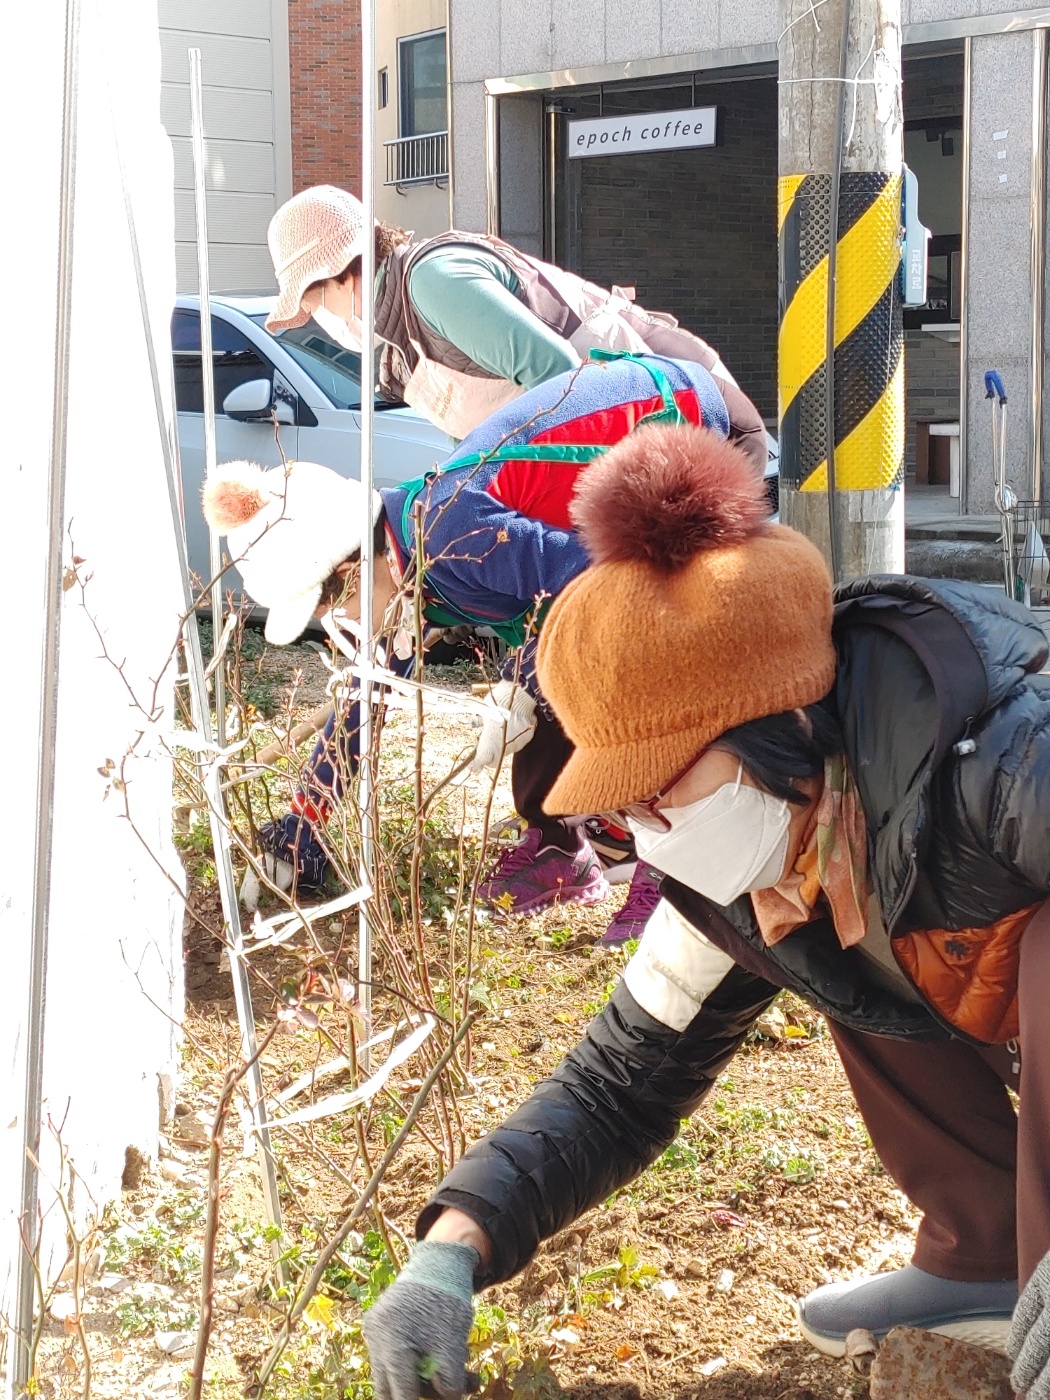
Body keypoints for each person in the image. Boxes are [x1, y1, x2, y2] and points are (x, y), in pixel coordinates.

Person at [360, 422, 1050, 1400]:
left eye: (663, 783)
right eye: (624, 801)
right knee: (841, 942)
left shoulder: (1004, 755)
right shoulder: (753, 875)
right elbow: (619, 1082)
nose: (647, 828)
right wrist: (452, 1247)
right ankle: (985, 1252)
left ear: (781, 721)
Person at [203, 351, 738, 945]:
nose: (341, 625)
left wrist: (523, 679)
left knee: (620, 650)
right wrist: (304, 824)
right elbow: (367, 695)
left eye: (333, 610)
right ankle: (561, 847)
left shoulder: (455, 530)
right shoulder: (405, 558)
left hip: (681, 422)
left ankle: (673, 867)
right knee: (549, 674)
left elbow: (611, 588)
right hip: (638, 464)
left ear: (352, 571)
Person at [264, 183, 768, 466]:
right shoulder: (400, 348)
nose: (322, 319)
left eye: (316, 301)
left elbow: (560, 375)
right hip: (637, 441)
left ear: (343, 273)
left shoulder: (433, 281)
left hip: (693, 418)